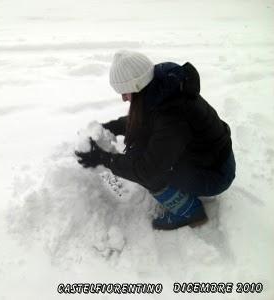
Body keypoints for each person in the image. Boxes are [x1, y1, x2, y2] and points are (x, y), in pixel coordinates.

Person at [75, 50, 236, 230]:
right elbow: (143, 121)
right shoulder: (160, 88)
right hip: (206, 157)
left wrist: (104, 159)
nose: (123, 99)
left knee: (151, 171)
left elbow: (148, 170)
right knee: (140, 150)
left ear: (137, 86)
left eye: (125, 93)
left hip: (216, 174)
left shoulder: (173, 112)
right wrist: (110, 127)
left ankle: (190, 212)